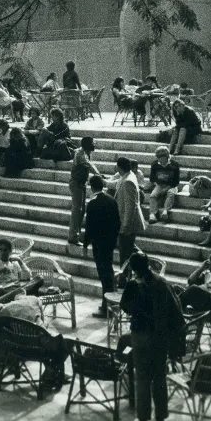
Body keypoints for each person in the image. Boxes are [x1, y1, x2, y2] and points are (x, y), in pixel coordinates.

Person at [119, 251, 184, 421]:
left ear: (132, 268)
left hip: (140, 335)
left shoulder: (133, 285)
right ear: (148, 264)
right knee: (159, 376)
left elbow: (125, 306)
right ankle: (160, 418)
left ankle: (143, 420)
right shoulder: (162, 283)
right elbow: (176, 311)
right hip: (160, 336)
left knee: (143, 377)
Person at [83, 175, 120, 319]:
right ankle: (108, 304)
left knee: (104, 275)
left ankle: (107, 308)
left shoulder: (92, 203)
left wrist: (86, 244)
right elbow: (117, 222)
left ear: (91, 187)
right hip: (109, 243)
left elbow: (89, 226)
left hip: (99, 244)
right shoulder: (111, 200)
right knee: (108, 272)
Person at [108, 157, 144, 264]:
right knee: (129, 248)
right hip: (124, 222)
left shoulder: (128, 181)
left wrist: (126, 225)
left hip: (127, 224)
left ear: (118, 167)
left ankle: (124, 278)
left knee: (125, 254)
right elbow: (116, 184)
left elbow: (130, 206)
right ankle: (144, 262)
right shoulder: (127, 176)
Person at [68, 136, 102, 244]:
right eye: (92, 143)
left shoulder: (85, 152)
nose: (94, 145)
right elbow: (89, 165)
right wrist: (98, 175)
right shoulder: (80, 154)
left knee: (81, 211)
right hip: (76, 184)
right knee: (77, 211)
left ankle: (76, 234)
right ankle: (73, 236)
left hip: (81, 184)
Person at [147, 146, 181, 222]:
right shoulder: (155, 165)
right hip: (159, 185)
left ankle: (165, 211)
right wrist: (158, 186)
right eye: (159, 157)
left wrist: (166, 188)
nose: (161, 160)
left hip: (171, 185)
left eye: (163, 157)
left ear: (167, 156)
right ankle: (153, 214)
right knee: (153, 195)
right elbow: (152, 178)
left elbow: (176, 181)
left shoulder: (174, 165)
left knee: (170, 193)